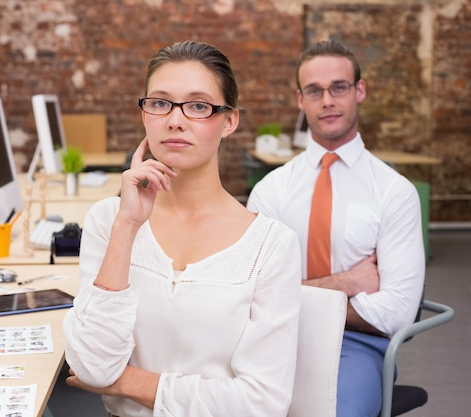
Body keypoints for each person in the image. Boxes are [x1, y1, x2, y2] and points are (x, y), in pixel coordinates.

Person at [63, 40, 301, 417]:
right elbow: (93, 366)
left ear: (229, 121)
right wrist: (127, 226)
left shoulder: (271, 246)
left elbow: (262, 404)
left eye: (198, 106)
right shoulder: (110, 220)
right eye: (159, 103)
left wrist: (128, 383)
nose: (175, 120)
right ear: (145, 115)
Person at [247, 39, 425, 417]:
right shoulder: (270, 190)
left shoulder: (394, 192)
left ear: (359, 91)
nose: (327, 100)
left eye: (338, 87)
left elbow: (395, 314)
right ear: (300, 99)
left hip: (356, 346)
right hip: (274, 339)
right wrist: (347, 283)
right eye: (314, 90)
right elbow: (252, 294)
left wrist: (292, 294)